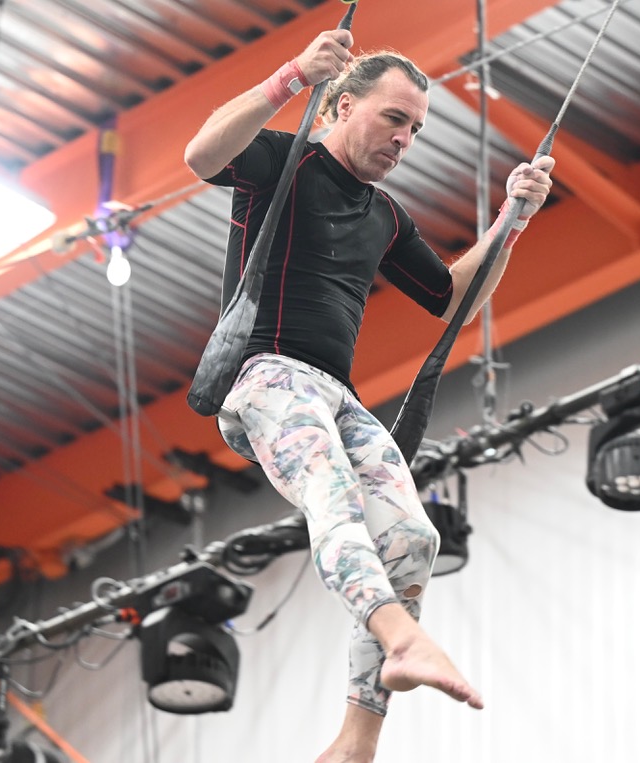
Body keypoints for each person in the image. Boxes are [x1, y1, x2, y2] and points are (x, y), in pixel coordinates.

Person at [184, 28, 554, 763]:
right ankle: (400, 635)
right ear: (343, 104)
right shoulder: (283, 161)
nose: (405, 139)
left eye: (415, 129)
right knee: (334, 498)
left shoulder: (384, 215)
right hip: (266, 375)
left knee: (415, 538)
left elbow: (451, 298)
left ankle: (357, 740)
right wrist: (293, 75)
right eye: (394, 118)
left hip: (334, 393)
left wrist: (511, 221)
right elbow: (200, 155)